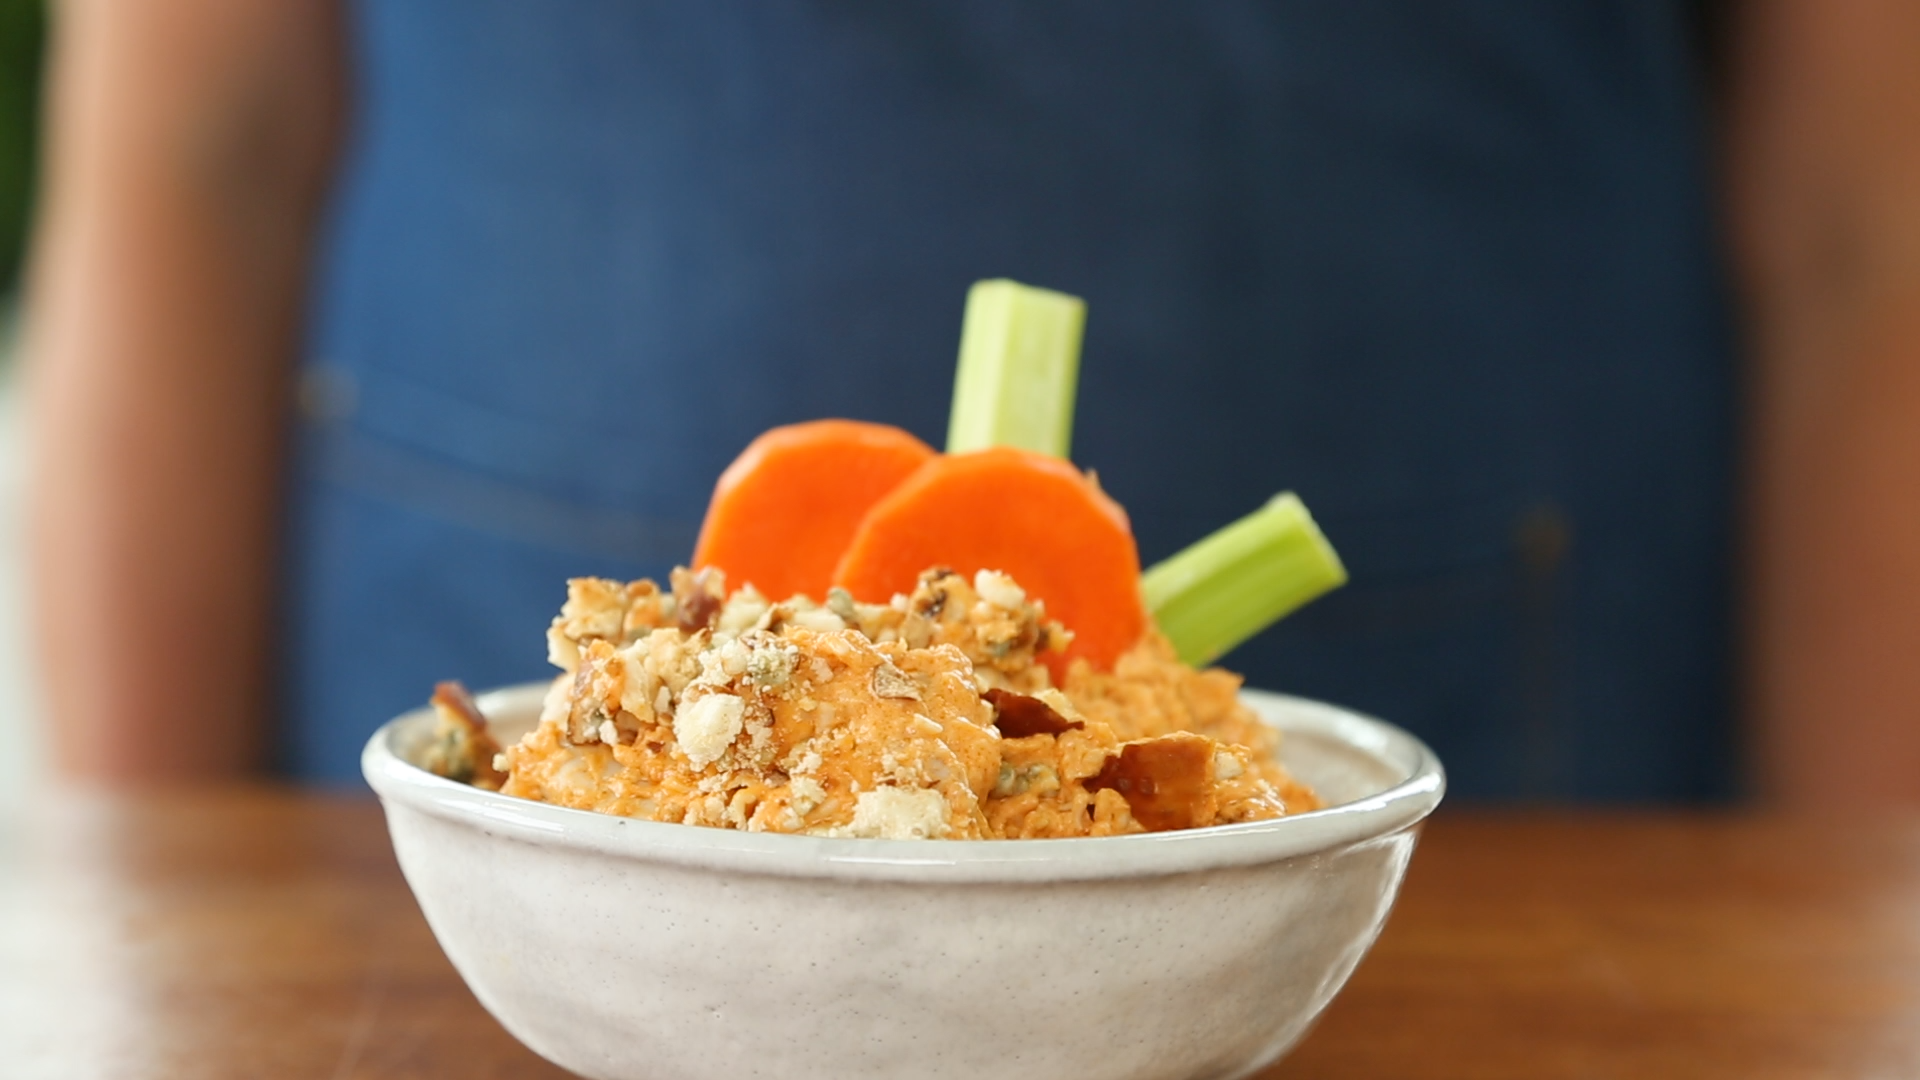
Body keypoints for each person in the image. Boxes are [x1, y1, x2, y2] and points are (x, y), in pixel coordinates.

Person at [22, 1, 1920, 804]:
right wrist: (141, 914)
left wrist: (1860, 954)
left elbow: (1863, 228)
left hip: (1517, 789)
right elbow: (203, 137)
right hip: (449, 789)